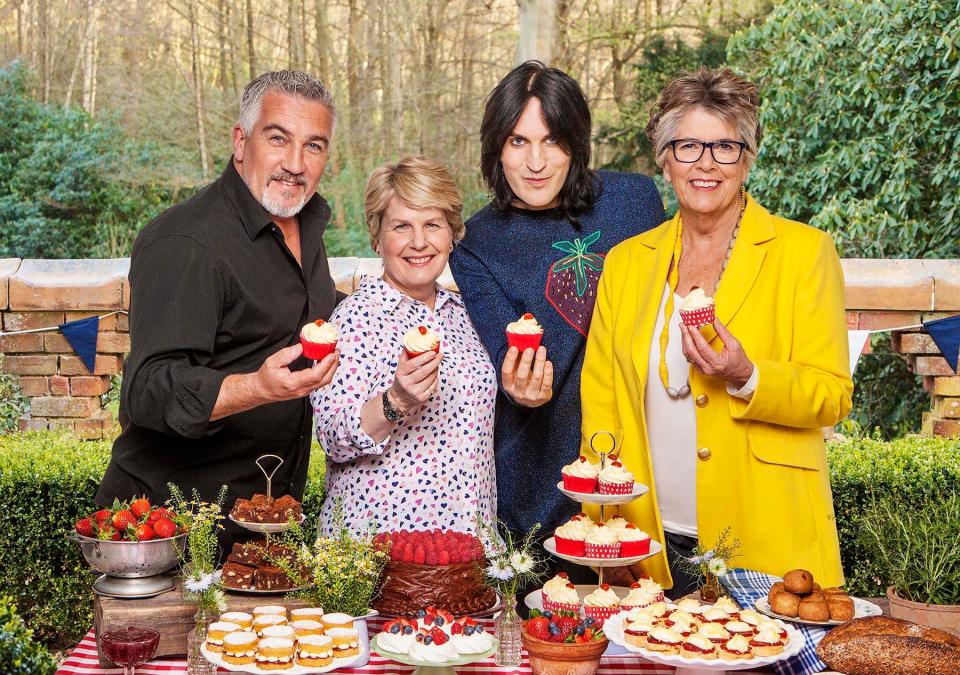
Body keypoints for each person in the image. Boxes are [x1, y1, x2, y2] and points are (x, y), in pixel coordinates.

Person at [580, 67, 853, 595]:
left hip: (766, 544)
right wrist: (603, 530)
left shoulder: (804, 253)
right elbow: (602, 407)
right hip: (648, 546)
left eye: (725, 147)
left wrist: (748, 375)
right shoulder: (625, 263)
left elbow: (832, 395)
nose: (705, 164)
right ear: (664, 159)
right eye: (686, 146)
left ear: (747, 158)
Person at [97, 71, 340, 550]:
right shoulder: (186, 241)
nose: (295, 163)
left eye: (314, 146)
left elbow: (296, 315)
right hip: (172, 529)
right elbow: (147, 390)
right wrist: (256, 388)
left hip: (263, 522)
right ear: (240, 141)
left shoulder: (304, 223)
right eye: (278, 139)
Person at [449, 61, 664, 543]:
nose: (536, 162)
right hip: (535, 478)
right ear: (496, 149)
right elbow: (504, 348)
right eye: (518, 141)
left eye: (552, 140)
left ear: (576, 142)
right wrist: (519, 385)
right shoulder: (475, 244)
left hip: (635, 462)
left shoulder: (635, 201)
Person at [311, 155, 497, 536]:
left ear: (452, 233)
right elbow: (332, 437)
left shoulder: (470, 315)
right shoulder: (353, 319)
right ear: (377, 237)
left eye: (432, 224)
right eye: (401, 226)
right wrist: (395, 401)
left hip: (467, 545)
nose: (418, 242)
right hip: (377, 552)